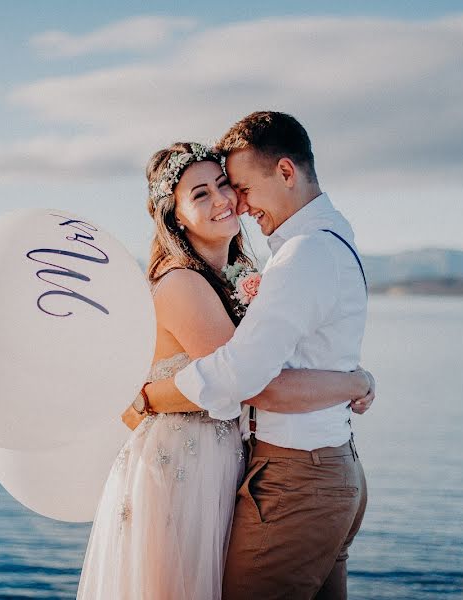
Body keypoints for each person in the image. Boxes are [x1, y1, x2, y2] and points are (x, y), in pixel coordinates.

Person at [76, 141, 374, 600]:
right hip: (184, 470)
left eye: (224, 185)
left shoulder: (238, 276)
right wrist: (354, 382)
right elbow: (250, 382)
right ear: (174, 216)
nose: (222, 200)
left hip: (224, 464)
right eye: (200, 194)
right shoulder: (182, 283)